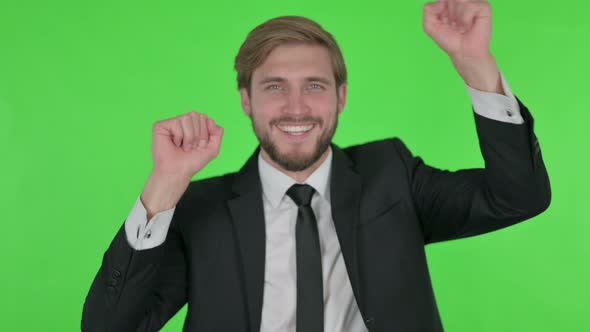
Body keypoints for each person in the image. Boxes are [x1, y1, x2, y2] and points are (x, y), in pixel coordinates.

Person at [82, 1, 551, 331]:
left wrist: (474, 63)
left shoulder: (391, 175)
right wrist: (164, 185)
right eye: (273, 87)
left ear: (341, 96)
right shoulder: (202, 209)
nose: (296, 107)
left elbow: (519, 196)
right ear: (246, 100)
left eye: (314, 85)